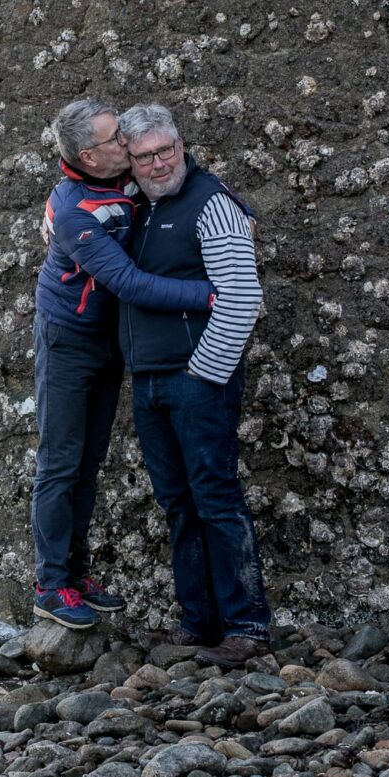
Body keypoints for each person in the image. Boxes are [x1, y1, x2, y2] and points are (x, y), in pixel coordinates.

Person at [31, 99, 217, 631]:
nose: (128, 144)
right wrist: (209, 296)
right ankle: (50, 585)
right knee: (60, 463)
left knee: (88, 465)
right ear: (90, 157)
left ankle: (75, 573)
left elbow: (177, 168)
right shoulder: (72, 212)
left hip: (109, 340)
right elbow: (129, 283)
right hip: (67, 340)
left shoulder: (122, 178)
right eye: (116, 140)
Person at [115, 102, 272, 667]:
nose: (160, 163)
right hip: (149, 381)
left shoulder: (213, 204)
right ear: (128, 162)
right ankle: (198, 622)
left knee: (216, 499)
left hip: (197, 379)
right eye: (146, 156)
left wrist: (204, 373)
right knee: (179, 504)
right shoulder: (134, 207)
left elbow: (242, 298)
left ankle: (247, 626)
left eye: (168, 150)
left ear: (181, 145)